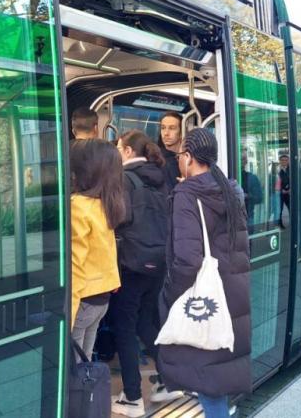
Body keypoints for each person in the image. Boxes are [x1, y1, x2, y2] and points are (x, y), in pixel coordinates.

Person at [158, 128, 251, 418]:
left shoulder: (187, 194)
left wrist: (171, 294)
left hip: (204, 297)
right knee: (214, 378)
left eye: (180, 156)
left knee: (206, 382)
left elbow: (187, 260)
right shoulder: (230, 190)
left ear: (188, 157)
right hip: (231, 293)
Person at [111, 130, 178, 417]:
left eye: (117, 147)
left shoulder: (123, 179)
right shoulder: (161, 177)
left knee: (124, 327)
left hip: (131, 263)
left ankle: (132, 397)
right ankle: (170, 379)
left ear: (126, 151)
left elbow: (118, 218)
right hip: (158, 262)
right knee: (146, 323)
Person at [69, 139, 125, 360]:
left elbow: (75, 265)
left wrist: (67, 312)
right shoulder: (104, 203)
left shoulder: (78, 205)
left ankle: (79, 395)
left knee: (74, 365)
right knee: (86, 362)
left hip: (82, 300)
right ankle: (87, 395)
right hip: (101, 297)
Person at [158, 111, 183, 190]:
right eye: (163, 128)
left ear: (181, 132)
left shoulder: (188, 159)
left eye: (172, 128)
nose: (166, 133)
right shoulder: (157, 160)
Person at [241, 151, 262, 228]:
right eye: (240, 158)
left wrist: (247, 196)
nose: (240, 161)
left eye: (243, 159)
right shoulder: (226, 175)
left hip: (248, 217)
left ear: (246, 162)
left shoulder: (252, 178)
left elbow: (259, 198)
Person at [276, 154, 290, 228]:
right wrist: (282, 190)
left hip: (289, 193)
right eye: (282, 160)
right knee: (279, 209)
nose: (284, 162)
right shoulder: (277, 170)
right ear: (280, 161)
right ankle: (280, 224)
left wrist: (290, 189)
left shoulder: (291, 169)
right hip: (280, 193)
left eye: (286, 160)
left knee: (291, 208)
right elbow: (274, 182)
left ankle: (293, 223)